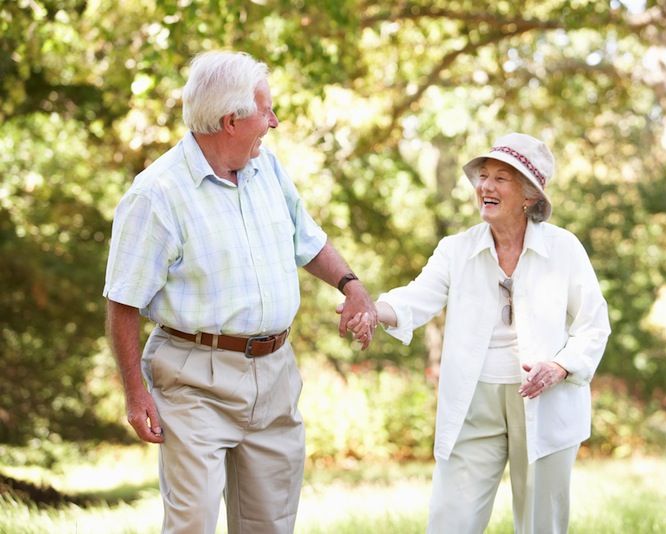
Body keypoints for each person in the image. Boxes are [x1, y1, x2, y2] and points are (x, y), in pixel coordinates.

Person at [104, 50, 377, 534]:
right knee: (192, 524)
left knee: (269, 524)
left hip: (274, 374)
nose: (274, 121)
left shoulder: (265, 168)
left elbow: (306, 239)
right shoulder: (157, 194)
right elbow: (123, 299)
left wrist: (350, 285)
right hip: (194, 378)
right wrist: (134, 393)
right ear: (231, 120)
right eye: (266, 110)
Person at [348, 133, 611, 533]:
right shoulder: (457, 249)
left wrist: (560, 366)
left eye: (501, 178)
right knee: (450, 520)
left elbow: (593, 324)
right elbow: (417, 298)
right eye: (483, 176)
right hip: (474, 398)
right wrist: (371, 310)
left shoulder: (564, 249)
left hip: (545, 397)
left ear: (529, 195)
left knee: (542, 524)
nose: (485, 186)